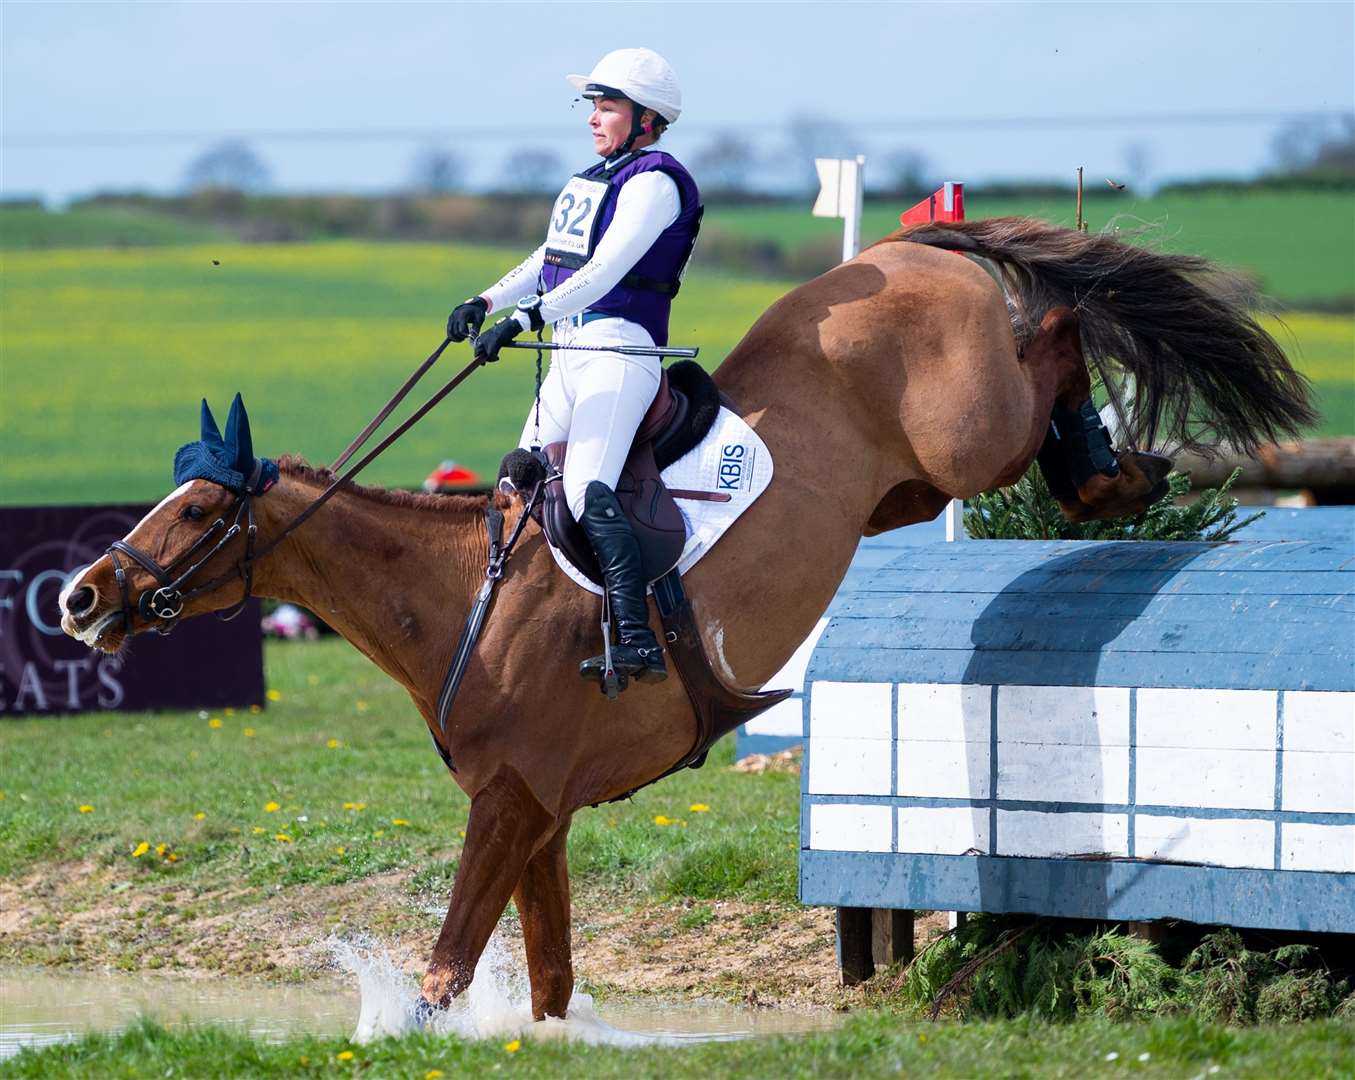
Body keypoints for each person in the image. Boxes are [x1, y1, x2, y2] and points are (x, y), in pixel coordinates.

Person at [446, 47, 702, 687]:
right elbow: (549, 257)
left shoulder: (654, 183)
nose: (593, 117)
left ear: (646, 118)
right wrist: (486, 300)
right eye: (591, 104)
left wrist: (526, 318)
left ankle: (637, 638)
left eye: (607, 105)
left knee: (589, 491)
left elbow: (603, 273)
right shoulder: (592, 178)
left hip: (619, 351)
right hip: (567, 352)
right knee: (517, 486)